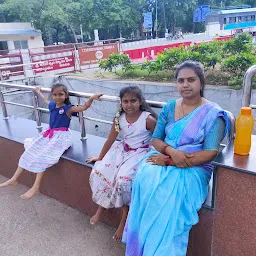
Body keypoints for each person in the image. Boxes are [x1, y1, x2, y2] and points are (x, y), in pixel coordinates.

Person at [122, 61, 231, 256]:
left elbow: (211, 152)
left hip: (194, 166)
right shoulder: (170, 107)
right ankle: (144, 244)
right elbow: (156, 138)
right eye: (181, 81)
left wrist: (173, 161)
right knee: (145, 177)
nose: (185, 85)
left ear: (201, 82)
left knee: (167, 196)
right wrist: (171, 154)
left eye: (191, 80)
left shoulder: (214, 114)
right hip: (164, 156)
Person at [0, 83, 103, 200]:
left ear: (66, 95)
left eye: (61, 94)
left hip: (61, 137)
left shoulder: (68, 108)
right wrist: (39, 92)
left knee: (44, 155)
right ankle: (14, 179)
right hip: (49, 134)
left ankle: (35, 187)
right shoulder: (53, 105)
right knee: (30, 150)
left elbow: (83, 107)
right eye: (55, 94)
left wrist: (91, 98)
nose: (57, 97)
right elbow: (45, 101)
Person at [87, 86, 157, 242]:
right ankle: (101, 207)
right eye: (125, 101)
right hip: (122, 150)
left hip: (140, 153)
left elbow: (160, 138)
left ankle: (124, 219)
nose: (129, 104)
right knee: (101, 171)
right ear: (121, 102)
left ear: (140, 102)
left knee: (123, 180)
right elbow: (111, 139)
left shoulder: (148, 119)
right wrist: (100, 157)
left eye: (133, 101)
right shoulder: (119, 118)